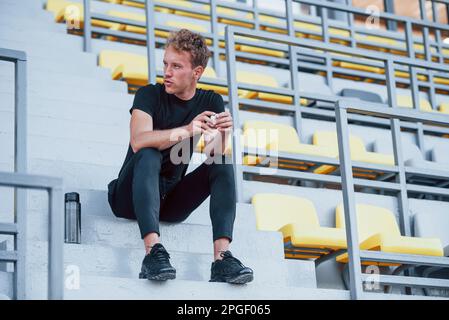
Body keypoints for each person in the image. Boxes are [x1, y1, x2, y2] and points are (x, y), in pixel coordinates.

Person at [107, 29, 253, 284]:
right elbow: (138, 140)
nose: (168, 72)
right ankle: (153, 252)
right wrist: (186, 130)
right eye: (166, 64)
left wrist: (225, 133)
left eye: (176, 66)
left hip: (170, 201)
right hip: (128, 197)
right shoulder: (149, 94)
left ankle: (222, 259)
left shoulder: (210, 100)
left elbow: (213, 153)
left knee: (223, 162)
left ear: (196, 72)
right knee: (149, 153)